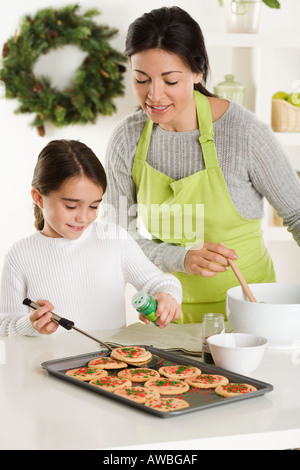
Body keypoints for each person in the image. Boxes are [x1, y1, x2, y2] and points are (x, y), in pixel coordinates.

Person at [104, 6, 300, 323]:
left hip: (249, 313)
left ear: (197, 72)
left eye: (170, 80)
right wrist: (179, 258)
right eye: (142, 79)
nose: (154, 95)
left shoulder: (244, 134)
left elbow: (297, 214)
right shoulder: (127, 139)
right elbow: (116, 236)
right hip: (168, 314)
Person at [0, 139, 182, 336]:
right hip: (46, 366)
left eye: (94, 206)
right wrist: (30, 324)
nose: (84, 217)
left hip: (110, 363)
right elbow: (4, 324)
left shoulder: (113, 239)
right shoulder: (20, 255)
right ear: (38, 197)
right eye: (71, 206)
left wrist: (168, 298)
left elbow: (161, 283)